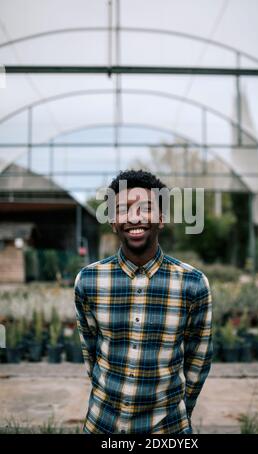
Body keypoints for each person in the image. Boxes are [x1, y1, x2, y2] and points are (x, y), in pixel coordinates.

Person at [74, 169, 213, 434]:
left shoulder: (193, 283)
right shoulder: (88, 280)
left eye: (145, 208)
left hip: (168, 429)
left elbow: (199, 360)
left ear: (161, 218)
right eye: (124, 209)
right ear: (113, 221)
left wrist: (180, 409)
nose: (135, 217)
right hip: (102, 425)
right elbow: (90, 352)